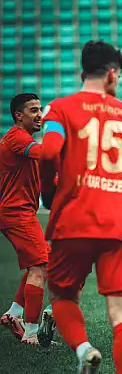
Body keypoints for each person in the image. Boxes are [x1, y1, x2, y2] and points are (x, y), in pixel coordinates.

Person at [40, 40, 122, 374]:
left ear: (83, 72)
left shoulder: (60, 109)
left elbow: (48, 151)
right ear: (111, 74)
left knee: (62, 296)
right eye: (119, 75)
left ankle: (83, 351)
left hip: (73, 219)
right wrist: (120, 181)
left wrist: (49, 193)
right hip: (119, 224)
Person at [0, 93, 49, 345]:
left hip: (20, 212)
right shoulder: (17, 138)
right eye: (33, 110)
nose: (40, 115)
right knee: (39, 267)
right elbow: (46, 154)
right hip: (16, 212)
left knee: (41, 261)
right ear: (19, 115)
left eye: (40, 109)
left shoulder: (22, 140)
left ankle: (14, 314)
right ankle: (31, 334)